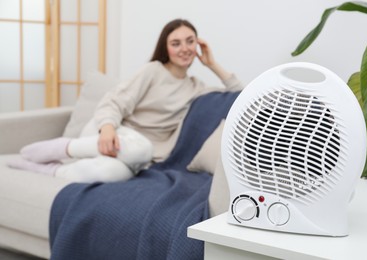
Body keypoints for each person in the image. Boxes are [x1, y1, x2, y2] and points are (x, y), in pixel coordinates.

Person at [7, 18, 243, 183]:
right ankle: (61, 147)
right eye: (176, 43)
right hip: (108, 133)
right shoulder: (153, 71)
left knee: (112, 174)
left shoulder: (197, 89)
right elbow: (114, 101)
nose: (184, 48)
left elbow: (240, 95)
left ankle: (47, 169)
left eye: (190, 41)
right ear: (166, 47)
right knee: (141, 148)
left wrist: (212, 64)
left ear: (198, 45)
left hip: (136, 154)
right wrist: (108, 128)